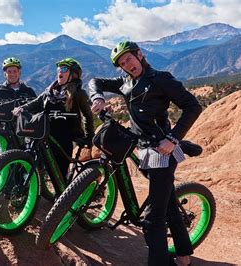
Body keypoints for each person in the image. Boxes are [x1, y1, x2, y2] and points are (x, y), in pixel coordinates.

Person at [88, 41, 202, 266]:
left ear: (139, 55)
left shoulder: (160, 79)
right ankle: (184, 258)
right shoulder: (126, 82)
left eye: (129, 58)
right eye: (122, 63)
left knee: (151, 220)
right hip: (143, 150)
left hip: (161, 152)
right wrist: (97, 97)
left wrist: (173, 138)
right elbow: (95, 81)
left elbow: (193, 106)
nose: (126, 65)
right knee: (168, 206)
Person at [13, 58, 95, 182]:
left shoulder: (79, 93)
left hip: (65, 137)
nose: (59, 72)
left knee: (60, 172)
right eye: (58, 69)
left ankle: (65, 195)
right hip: (47, 134)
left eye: (64, 69)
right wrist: (21, 108)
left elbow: (88, 116)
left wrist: (89, 138)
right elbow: (36, 103)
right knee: (39, 163)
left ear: (73, 75)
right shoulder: (50, 91)